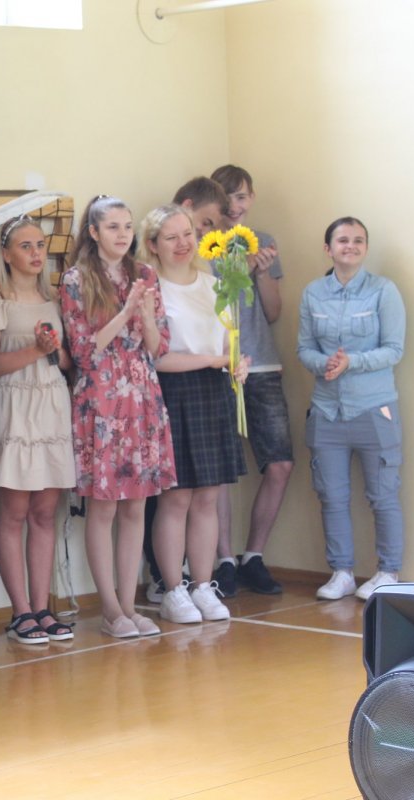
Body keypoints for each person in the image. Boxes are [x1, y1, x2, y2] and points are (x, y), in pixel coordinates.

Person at [59, 195, 174, 638]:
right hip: (102, 399)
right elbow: (84, 353)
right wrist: (125, 312)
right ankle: (109, 609)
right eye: (112, 227)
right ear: (93, 232)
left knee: (136, 505)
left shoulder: (145, 274)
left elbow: (158, 347)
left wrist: (145, 317)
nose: (122, 234)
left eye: (127, 226)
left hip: (142, 395)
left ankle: (129, 606)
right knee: (104, 506)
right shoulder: (76, 279)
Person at [138, 205, 249, 625]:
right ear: (153, 245)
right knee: (176, 497)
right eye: (171, 237)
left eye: (187, 234)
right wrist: (213, 360)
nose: (183, 243)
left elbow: (227, 343)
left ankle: (203, 585)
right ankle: (173, 588)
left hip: (213, 391)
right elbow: (157, 357)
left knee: (207, 496)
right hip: (173, 392)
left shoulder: (215, 284)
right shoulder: (151, 289)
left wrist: (236, 363)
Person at [0, 215, 77, 644]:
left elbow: (66, 362)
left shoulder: (53, 297)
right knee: (14, 512)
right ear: (6, 253)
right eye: (26, 246)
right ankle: (20, 613)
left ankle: (42, 608)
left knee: (44, 513)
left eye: (40, 246)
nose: (36, 254)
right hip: (13, 408)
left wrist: (53, 351)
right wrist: (36, 349)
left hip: (50, 406)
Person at [298, 217, 406, 601]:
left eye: (359, 240)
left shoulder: (383, 291)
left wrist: (351, 363)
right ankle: (341, 572)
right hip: (326, 412)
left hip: (375, 409)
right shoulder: (313, 293)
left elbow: (394, 349)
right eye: (343, 240)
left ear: (366, 248)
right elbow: (304, 348)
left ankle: (388, 573)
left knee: (383, 496)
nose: (351, 246)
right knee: (332, 496)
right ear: (328, 248)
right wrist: (323, 364)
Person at [209, 165, 292, 597]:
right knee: (221, 470)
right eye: (226, 199)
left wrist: (260, 272)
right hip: (218, 366)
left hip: (262, 366)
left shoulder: (263, 240)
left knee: (280, 463)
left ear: (251, 198)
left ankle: (253, 556)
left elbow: (273, 313)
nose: (234, 207)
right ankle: (223, 559)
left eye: (241, 197)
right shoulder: (205, 245)